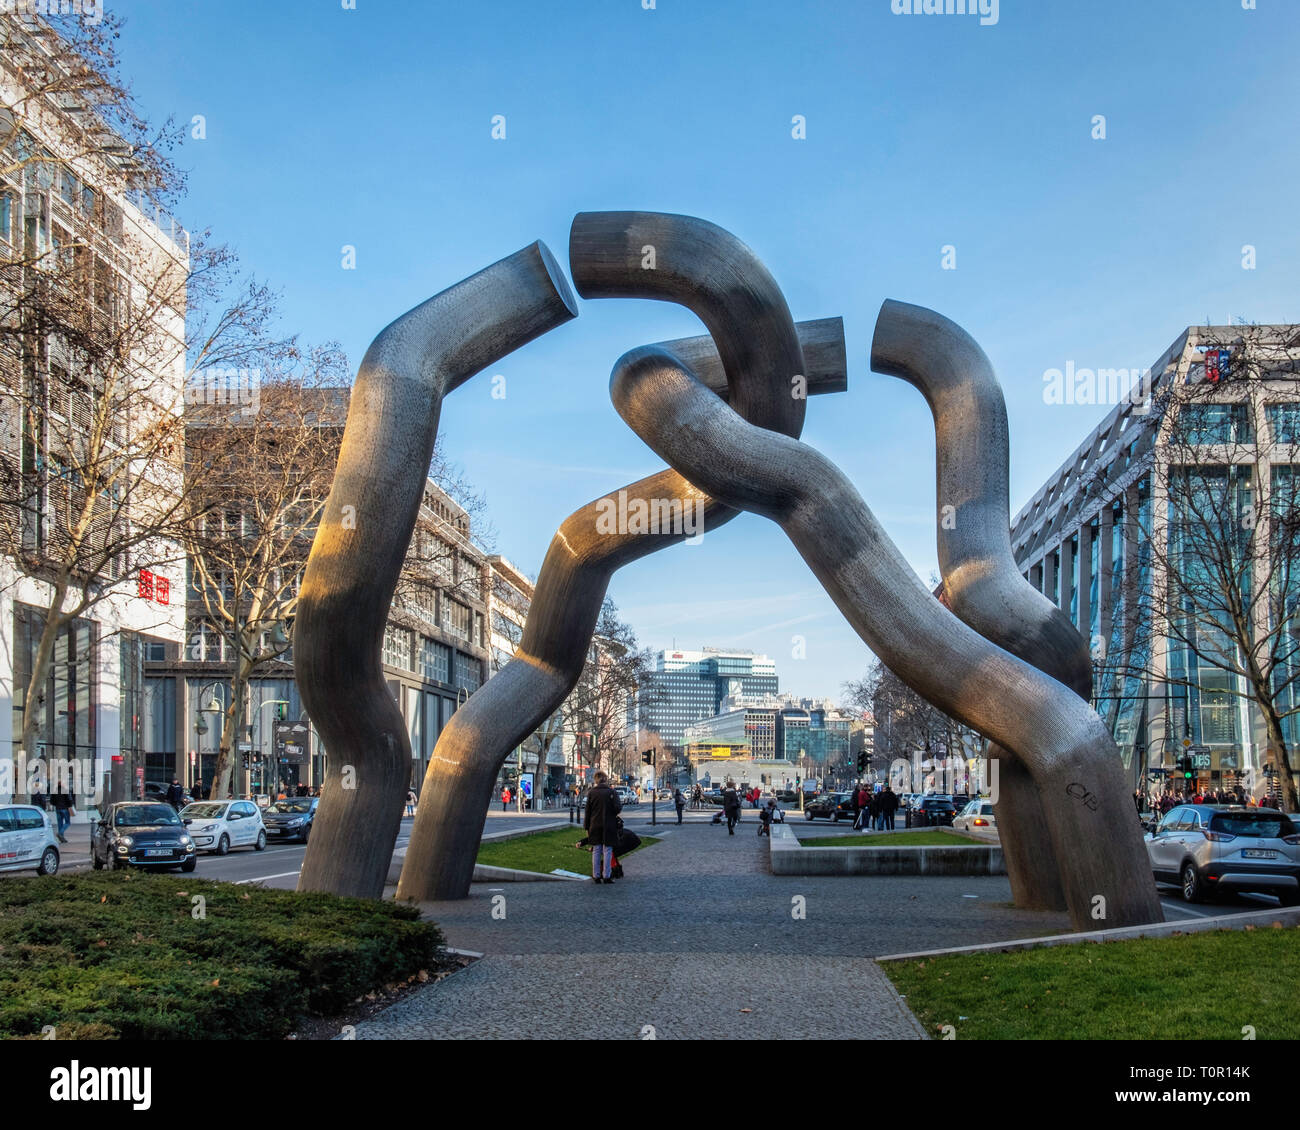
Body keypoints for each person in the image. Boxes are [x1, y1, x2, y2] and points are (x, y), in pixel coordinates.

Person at [583, 771, 622, 883]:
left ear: (596, 780)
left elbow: (587, 812)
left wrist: (586, 827)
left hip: (594, 825)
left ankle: (596, 875)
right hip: (609, 824)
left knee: (596, 850)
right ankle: (607, 875)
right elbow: (618, 808)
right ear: (605, 779)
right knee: (607, 850)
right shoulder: (612, 792)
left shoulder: (591, 793)